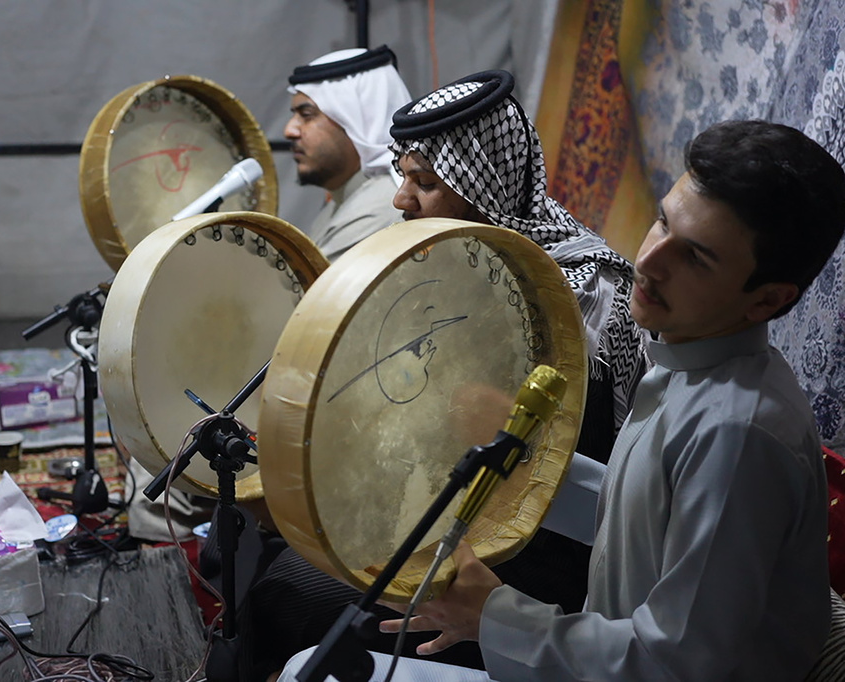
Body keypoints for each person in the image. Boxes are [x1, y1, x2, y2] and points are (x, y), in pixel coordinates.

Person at [278, 118, 841, 681]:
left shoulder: (737, 434)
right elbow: (642, 520)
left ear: (767, 300)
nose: (649, 261)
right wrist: (521, 459)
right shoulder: (690, 364)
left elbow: (677, 664)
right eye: (661, 223)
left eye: (694, 258)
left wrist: (494, 616)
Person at [242, 71, 651, 681]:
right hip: (448, 521)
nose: (401, 199)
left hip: (526, 570)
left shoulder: (582, 291)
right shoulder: (452, 267)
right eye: (402, 176)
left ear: (486, 189)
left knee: (286, 594)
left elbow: (567, 484)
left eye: (424, 182)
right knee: (266, 551)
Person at [284, 44, 412, 261]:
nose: (289, 131)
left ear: (358, 120)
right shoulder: (341, 203)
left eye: (306, 115)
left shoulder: (385, 206)